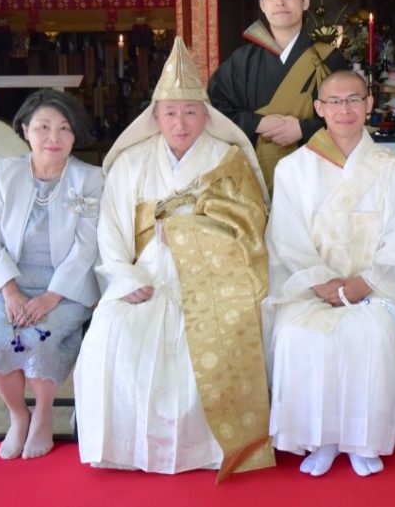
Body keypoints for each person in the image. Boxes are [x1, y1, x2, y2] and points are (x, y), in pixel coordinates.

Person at [74, 38, 272, 479]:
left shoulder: (229, 159)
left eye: (189, 112)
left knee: (215, 332)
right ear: (155, 116)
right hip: (145, 268)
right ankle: (127, 445)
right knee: (112, 330)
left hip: (217, 271)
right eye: (170, 113)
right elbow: (111, 229)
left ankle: (205, 447)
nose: (180, 123)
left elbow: (250, 223)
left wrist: (190, 231)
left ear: (207, 114)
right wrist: (124, 279)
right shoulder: (132, 163)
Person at [263, 70, 395, 478]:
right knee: (296, 335)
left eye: (353, 100)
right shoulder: (293, 170)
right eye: (335, 102)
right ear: (319, 109)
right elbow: (286, 240)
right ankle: (321, 438)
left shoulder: (394, 172)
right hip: (311, 288)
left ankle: (363, 440)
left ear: (369, 104)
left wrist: (363, 284)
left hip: (377, 286)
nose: (345, 109)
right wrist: (323, 284)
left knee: (372, 334)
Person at [0, 89, 102, 461]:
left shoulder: (90, 179)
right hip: (9, 281)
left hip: (66, 285)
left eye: (64, 129)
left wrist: (52, 295)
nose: (54, 138)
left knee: (40, 336)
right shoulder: (4, 173)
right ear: (26, 129)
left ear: (75, 136)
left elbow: (86, 247)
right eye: (43, 127)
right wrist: (10, 291)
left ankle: (44, 414)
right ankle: (19, 415)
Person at [208, 0, 349, 190]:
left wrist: (304, 129)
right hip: (254, 178)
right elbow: (213, 109)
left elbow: (349, 113)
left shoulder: (328, 59)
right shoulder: (242, 61)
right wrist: (257, 123)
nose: (280, 1)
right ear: (263, 5)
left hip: (317, 177)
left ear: (305, 1)